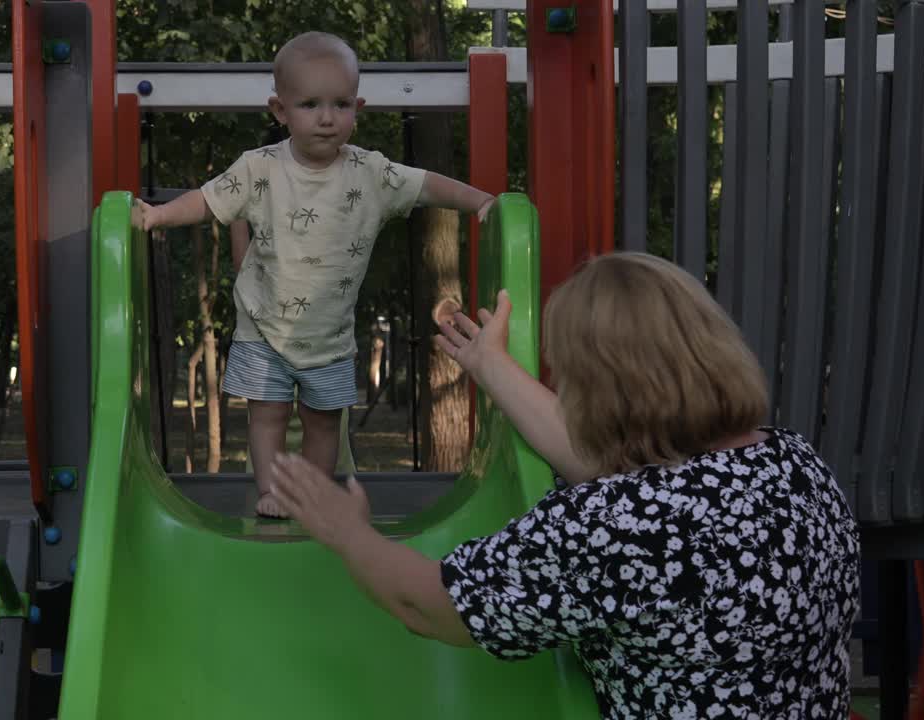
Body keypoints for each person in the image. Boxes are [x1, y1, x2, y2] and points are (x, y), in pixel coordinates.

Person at [269, 252, 861, 718]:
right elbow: (631, 483)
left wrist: (348, 533)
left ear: (598, 388)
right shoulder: (792, 462)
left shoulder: (613, 526)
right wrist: (491, 365)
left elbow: (429, 606)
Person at [136, 31, 493, 518]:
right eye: (309, 104)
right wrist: (157, 215)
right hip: (263, 328)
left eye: (340, 103)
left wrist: (480, 202)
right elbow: (206, 199)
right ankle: (273, 492)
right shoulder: (259, 168)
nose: (327, 117)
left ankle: (315, 496)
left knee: (325, 422)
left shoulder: (371, 173)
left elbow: (428, 185)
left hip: (329, 334)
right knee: (267, 416)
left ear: (358, 107)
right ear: (280, 110)